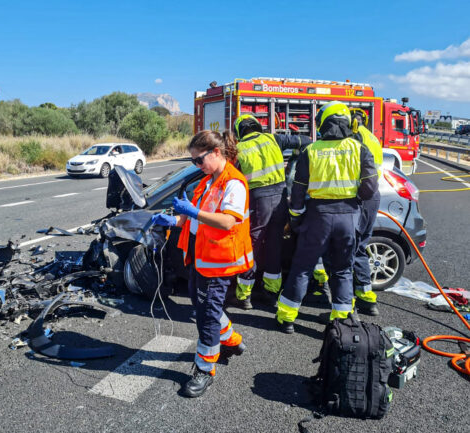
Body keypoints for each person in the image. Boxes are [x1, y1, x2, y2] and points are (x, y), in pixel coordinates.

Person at [151, 130, 253, 397]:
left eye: (199, 160)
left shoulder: (234, 183)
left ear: (216, 153)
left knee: (207, 314)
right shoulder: (208, 181)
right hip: (200, 255)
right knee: (203, 305)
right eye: (193, 161)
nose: (196, 165)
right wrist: (174, 221)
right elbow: (193, 218)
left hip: (218, 260)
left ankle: (205, 369)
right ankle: (231, 340)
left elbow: (229, 221)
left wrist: (193, 211)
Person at [275, 101, 378, 334]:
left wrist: (295, 219)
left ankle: (287, 318)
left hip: (317, 217)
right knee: (342, 270)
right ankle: (342, 321)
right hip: (348, 217)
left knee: (302, 268)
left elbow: (298, 192)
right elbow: (370, 188)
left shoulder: (310, 151)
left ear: (322, 123)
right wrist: (352, 202)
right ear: (348, 123)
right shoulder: (360, 149)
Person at [230, 115, 312, 309]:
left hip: (258, 200)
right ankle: (271, 292)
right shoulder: (274, 139)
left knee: (253, 245)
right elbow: (306, 140)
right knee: (274, 244)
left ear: (239, 131)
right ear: (258, 126)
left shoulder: (239, 150)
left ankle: (244, 296)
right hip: (281, 198)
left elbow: (233, 178)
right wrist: (295, 159)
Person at [351, 108, 383, 316]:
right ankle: (366, 298)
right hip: (372, 196)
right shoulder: (373, 137)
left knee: (349, 248)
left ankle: (345, 307)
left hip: (360, 197)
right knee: (360, 246)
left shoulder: (355, 139)